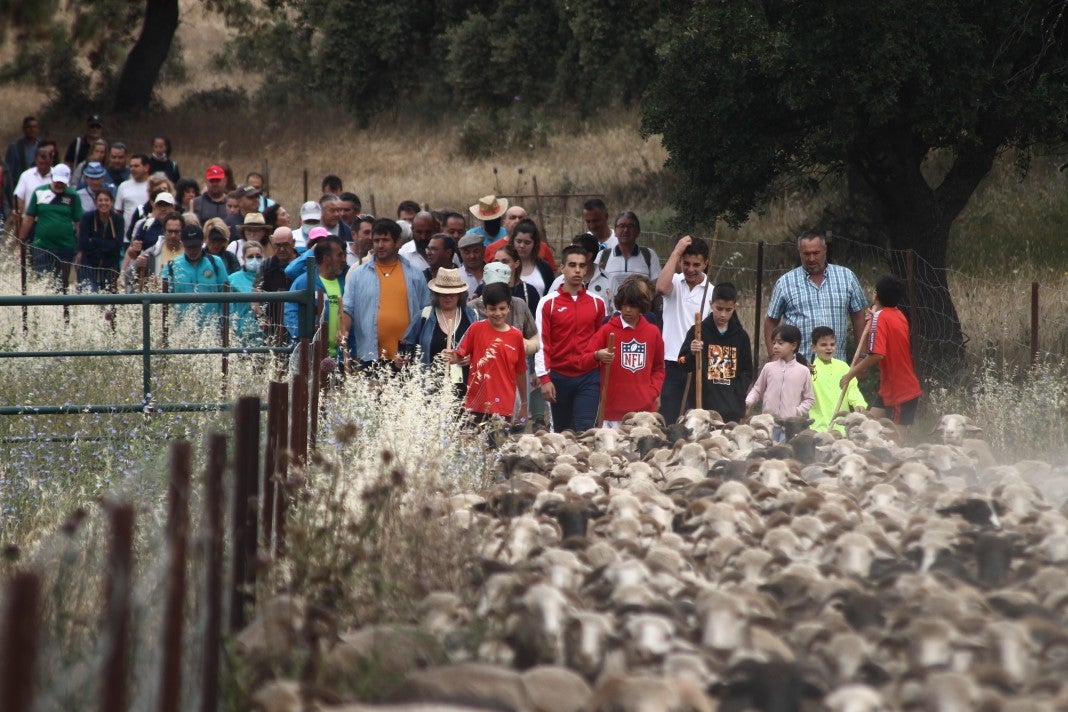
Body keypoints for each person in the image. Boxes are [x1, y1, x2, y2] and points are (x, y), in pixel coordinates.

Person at [764, 230, 867, 363]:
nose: (811, 258)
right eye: (806, 254)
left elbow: (859, 316)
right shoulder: (785, 283)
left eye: (816, 253)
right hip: (797, 366)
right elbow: (771, 321)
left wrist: (861, 356)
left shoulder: (846, 277)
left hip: (836, 365)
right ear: (799, 252)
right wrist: (774, 356)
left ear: (825, 250)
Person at [535, 245, 607, 432]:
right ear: (562, 268)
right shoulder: (547, 303)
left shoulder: (597, 303)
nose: (577, 270)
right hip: (558, 377)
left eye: (582, 266)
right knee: (561, 434)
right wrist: (544, 378)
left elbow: (602, 340)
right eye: (572, 265)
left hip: (589, 376)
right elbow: (542, 343)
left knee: (585, 431)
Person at [340, 218, 430, 367]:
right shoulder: (358, 275)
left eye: (385, 240)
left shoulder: (414, 274)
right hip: (371, 356)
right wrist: (343, 331)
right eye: (376, 240)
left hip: (407, 356)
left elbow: (425, 312)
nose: (380, 245)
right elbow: (348, 308)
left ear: (397, 243)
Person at [839, 275, 923, 432]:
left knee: (894, 439)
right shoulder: (898, 314)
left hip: (900, 390)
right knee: (868, 428)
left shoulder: (880, 317)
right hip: (888, 388)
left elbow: (877, 354)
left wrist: (851, 373)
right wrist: (871, 324)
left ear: (876, 295)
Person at [447, 282, 528, 429]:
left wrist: (524, 403)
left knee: (498, 443)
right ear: (485, 309)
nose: (498, 313)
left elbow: (520, 372)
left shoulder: (516, 336)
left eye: (502, 308)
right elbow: (458, 355)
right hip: (475, 406)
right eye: (492, 309)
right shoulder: (475, 328)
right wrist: (450, 357)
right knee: (472, 443)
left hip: (503, 408)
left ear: (508, 308)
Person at [587, 276, 666, 428]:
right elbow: (583, 361)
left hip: (645, 414)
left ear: (641, 306)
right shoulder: (607, 330)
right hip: (612, 414)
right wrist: (597, 355)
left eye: (632, 305)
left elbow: (659, 368)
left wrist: (652, 392)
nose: (627, 310)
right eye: (624, 305)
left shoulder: (653, 332)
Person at [656, 235, 714, 423]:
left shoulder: (712, 292)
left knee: (693, 421)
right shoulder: (673, 281)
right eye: (686, 263)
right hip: (671, 361)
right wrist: (676, 251)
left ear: (706, 263)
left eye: (696, 264)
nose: (690, 269)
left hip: (697, 363)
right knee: (668, 419)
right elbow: (660, 288)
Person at [678, 282, 753, 424]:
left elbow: (747, 371)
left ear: (735, 307)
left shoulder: (741, 336)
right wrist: (691, 353)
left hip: (731, 409)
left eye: (728, 310)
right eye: (719, 308)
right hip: (703, 409)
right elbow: (681, 362)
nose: (723, 314)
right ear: (711, 304)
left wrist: (737, 393)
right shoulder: (698, 331)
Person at [400, 268, 478, 400]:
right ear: (436, 294)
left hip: (466, 387)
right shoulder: (425, 315)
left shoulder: (471, 316)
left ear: (459, 294)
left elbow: (482, 348)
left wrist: (472, 357)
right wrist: (403, 357)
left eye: (452, 293)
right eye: (443, 294)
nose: (448, 297)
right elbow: (407, 344)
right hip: (430, 388)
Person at [745, 324, 814, 440]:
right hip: (768, 424)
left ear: (793, 345)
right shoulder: (768, 368)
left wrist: (796, 412)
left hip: (789, 427)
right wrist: (748, 401)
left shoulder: (803, 371)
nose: (775, 346)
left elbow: (809, 399)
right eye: (774, 343)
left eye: (780, 343)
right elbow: (757, 389)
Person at [18, 163, 83, 284]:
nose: (59, 184)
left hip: (65, 248)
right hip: (42, 246)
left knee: (61, 284)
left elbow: (79, 223)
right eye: (57, 181)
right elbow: (29, 218)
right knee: (42, 282)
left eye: (62, 182)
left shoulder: (74, 196)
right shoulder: (39, 192)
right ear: (52, 177)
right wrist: (21, 240)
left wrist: (80, 247)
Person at [286, 237, 346, 349]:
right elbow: (291, 313)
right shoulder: (304, 282)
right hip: (312, 353)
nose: (344, 260)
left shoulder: (346, 281)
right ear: (326, 258)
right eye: (339, 255)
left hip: (341, 354)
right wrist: (305, 340)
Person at [164, 224, 230, 322]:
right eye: (189, 247)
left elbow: (226, 295)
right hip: (182, 326)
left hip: (212, 325)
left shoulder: (216, 263)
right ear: (182, 244)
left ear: (202, 243)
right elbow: (164, 300)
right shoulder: (171, 267)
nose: (192, 250)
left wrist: (224, 322)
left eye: (196, 246)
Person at [809, 326, 867, 434]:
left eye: (832, 344)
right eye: (823, 345)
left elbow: (852, 389)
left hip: (843, 428)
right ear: (813, 347)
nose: (829, 348)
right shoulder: (810, 370)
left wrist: (858, 403)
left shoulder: (843, 366)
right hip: (818, 429)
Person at [597, 211, 661, 296]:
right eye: (622, 226)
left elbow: (656, 285)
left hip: (641, 304)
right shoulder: (603, 256)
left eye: (630, 226)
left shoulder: (649, 255)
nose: (626, 230)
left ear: (638, 232)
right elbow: (595, 285)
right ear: (615, 231)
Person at [76, 189, 124, 292]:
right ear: (95, 202)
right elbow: (83, 243)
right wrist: (107, 245)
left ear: (112, 202)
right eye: (100, 200)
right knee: (89, 295)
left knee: (108, 298)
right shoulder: (87, 218)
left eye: (106, 200)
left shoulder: (118, 219)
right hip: (88, 266)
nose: (103, 203)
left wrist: (94, 241)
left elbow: (117, 245)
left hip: (110, 268)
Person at [256, 226, 298, 344]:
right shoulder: (266, 266)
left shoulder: (303, 264)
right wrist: (261, 316)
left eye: (286, 245)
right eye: (278, 245)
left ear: (293, 243)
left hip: (298, 325)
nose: (282, 249)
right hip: (273, 327)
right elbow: (254, 295)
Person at [226, 241, 267, 345]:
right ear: (243, 258)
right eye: (250, 257)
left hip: (265, 335)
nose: (254, 259)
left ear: (263, 257)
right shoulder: (232, 280)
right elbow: (228, 309)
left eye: (258, 256)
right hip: (239, 335)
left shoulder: (269, 278)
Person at [4, 116, 40, 209]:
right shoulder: (15, 147)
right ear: (24, 129)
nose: (32, 130)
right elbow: (9, 173)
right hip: (20, 190)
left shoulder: (42, 147)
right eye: (29, 127)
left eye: (34, 127)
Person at [512, 220, 555, 297]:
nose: (522, 246)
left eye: (527, 242)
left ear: (535, 244)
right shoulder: (505, 265)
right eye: (518, 241)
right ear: (513, 241)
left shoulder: (544, 267)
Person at [115, 154, 150, 233]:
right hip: (126, 234)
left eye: (136, 166)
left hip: (148, 234)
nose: (132, 169)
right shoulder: (123, 186)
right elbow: (118, 212)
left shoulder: (154, 186)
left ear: (146, 167)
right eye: (131, 166)